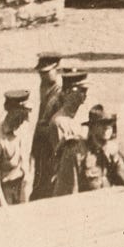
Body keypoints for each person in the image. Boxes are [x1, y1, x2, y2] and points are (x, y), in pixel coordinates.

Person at [31, 69, 88, 200]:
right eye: (81, 91)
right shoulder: (59, 120)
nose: (84, 96)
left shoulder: (80, 113)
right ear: (68, 92)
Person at [54, 105, 124, 195]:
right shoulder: (77, 152)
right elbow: (69, 192)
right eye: (102, 123)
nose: (107, 127)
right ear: (92, 127)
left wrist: (116, 159)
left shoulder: (112, 151)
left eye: (110, 123)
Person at [0, 90, 33, 208]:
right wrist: (3, 208)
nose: (27, 119)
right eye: (23, 114)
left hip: (21, 189)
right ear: (13, 112)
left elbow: (27, 162)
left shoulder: (23, 130)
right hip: (3, 194)